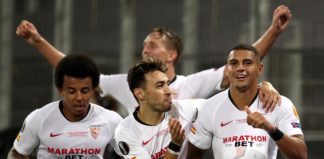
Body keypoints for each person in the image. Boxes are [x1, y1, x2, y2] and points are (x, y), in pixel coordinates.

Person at [15, 5, 292, 114]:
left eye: (153, 44)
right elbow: (76, 70)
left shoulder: (192, 85)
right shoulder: (127, 83)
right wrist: (38, 41)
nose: (145, 48)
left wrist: (274, 31)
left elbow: (242, 63)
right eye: (144, 43)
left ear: (172, 55)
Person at [186, 43, 307, 159]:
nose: (240, 68)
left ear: (259, 69)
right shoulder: (209, 107)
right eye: (234, 63)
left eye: (247, 62)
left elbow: (301, 154)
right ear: (227, 70)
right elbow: (194, 155)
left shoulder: (279, 104)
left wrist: (272, 129)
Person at [7, 54, 123, 159]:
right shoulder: (39, 118)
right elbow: (17, 153)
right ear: (60, 90)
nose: (79, 98)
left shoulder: (111, 120)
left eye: (85, 91)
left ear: (93, 90)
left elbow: (132, 154)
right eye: (72, 91)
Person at [114, 58, 205, 159]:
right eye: (160, 85)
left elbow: (216, 105)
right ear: (140, 93)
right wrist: (175, 145)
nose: (168, 91)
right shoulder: (126, 132)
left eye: (168, 84)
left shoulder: (182, 109)